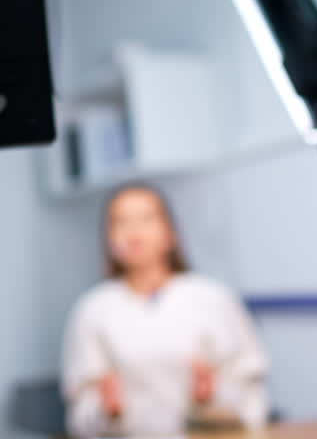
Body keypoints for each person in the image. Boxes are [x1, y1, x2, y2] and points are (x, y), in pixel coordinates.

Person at [61, 185, 270, 437]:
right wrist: (107, 412)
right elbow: (80, 411)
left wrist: (213, 398)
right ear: (108, 238)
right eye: (120, 222)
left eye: (146, 218)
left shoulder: (212, 298)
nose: (133, 231)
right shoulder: (93, 309)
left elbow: (252, 391)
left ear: (171, 233)